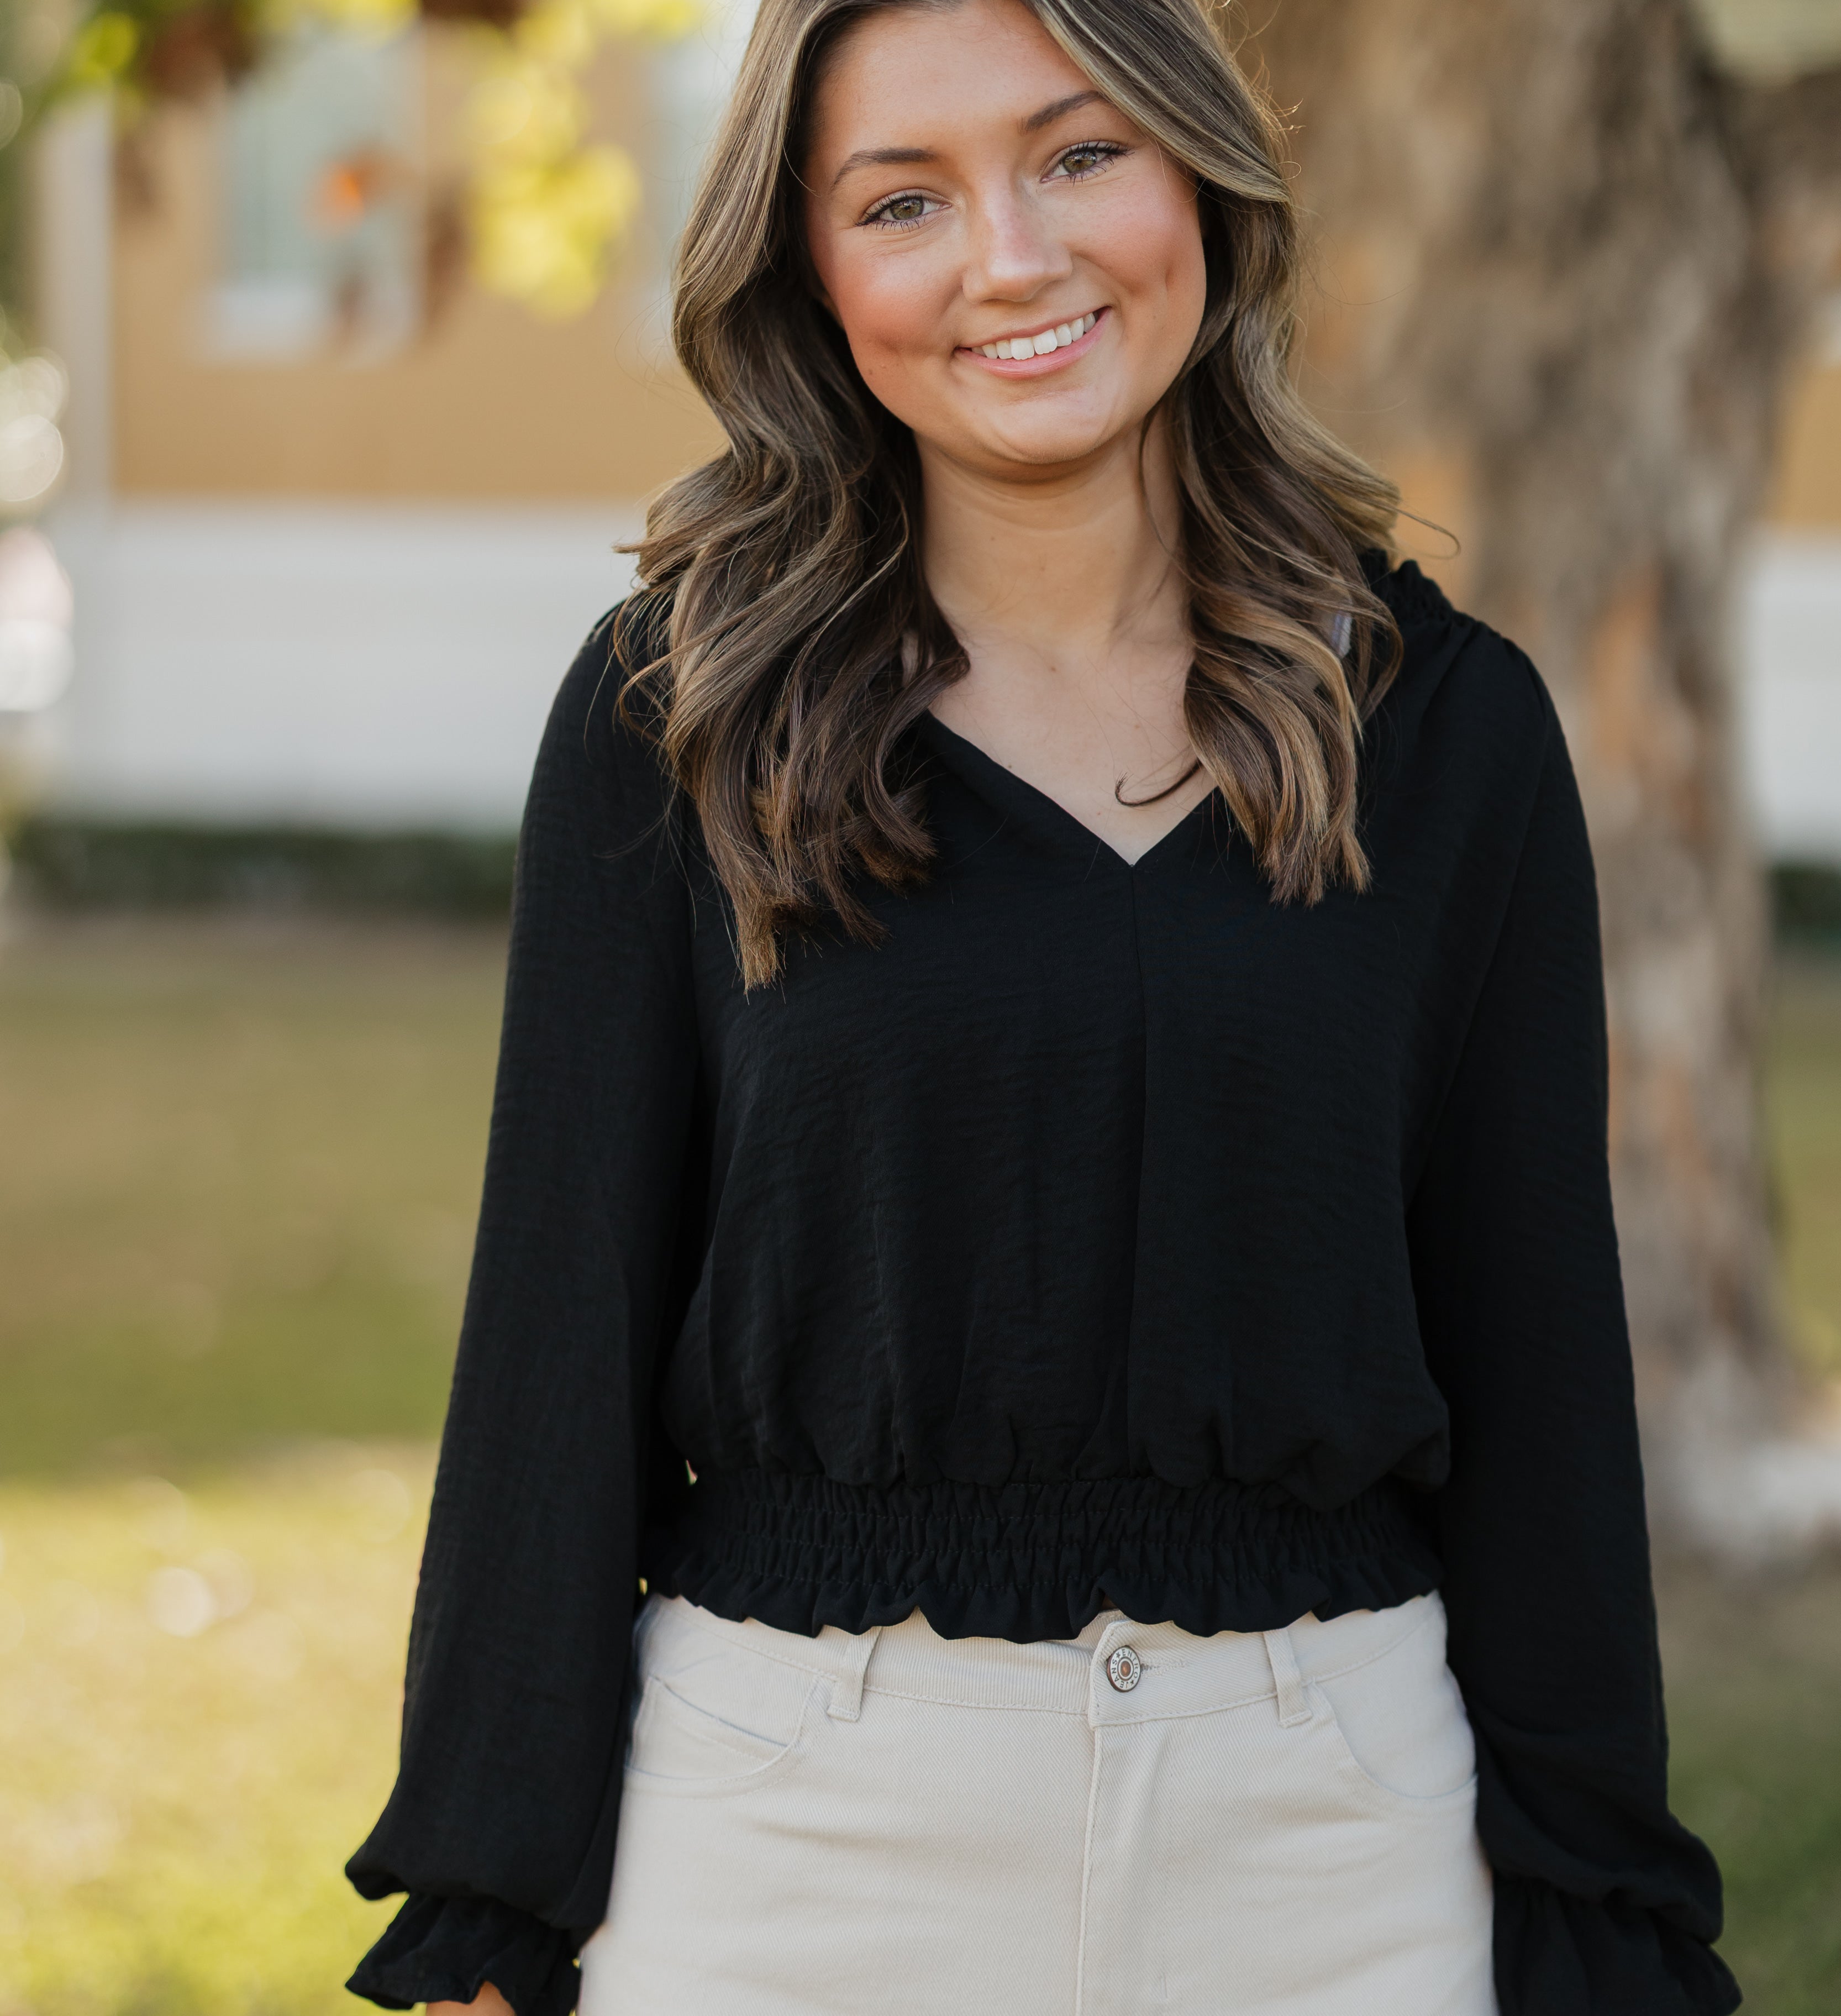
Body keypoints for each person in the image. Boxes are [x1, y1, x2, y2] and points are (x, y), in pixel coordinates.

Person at [344, 0, 1740, 2010]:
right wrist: (487, 1906)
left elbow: (1540, 1378)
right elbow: (555, 1335)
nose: (1014, 256)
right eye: (903, 199)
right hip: (795, 1832)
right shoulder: (682, 715)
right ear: (811, 278)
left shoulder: (1445, 735)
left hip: (1338, 1839)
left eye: (1081, 153)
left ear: (1200, 175)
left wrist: (1610, 1917)